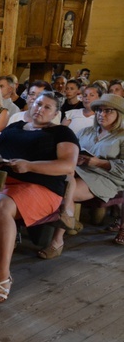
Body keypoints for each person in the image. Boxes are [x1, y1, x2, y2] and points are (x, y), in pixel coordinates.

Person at [0, 91, 79, 302]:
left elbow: (67, 166)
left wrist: (29, 165)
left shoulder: (61, 133)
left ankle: (2, 276)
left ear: (56, 113)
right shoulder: (14, 127)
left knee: (1, 206)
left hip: (39, 186)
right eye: (38, 104)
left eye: (47, 107)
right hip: (2, 181)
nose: (40, 109)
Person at [40, 94, 124, 257]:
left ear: (119, 114)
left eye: (108, 111)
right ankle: (69, 219)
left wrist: (98, 163)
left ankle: (57, 241)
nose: (102, 114)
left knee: (64, 191)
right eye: (99, 110)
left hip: (107, 177)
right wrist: (76, 158)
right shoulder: (86, 132)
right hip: (79, 170)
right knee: (53, 180)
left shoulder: (122, 136)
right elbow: (71, 150)